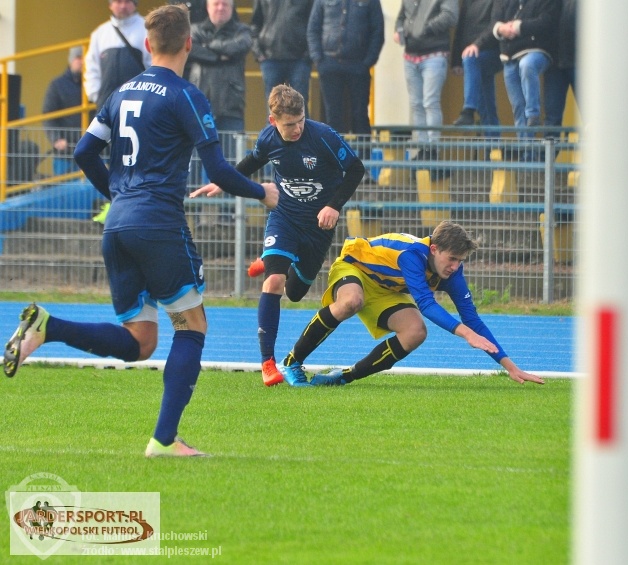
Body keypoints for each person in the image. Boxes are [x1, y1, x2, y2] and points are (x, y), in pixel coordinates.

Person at [3, 4, 280, 458]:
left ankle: (48, 327)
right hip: (158, 223)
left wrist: (118, 195)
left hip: (117, 225)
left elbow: (83, 152)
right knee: (191, 325)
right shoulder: (186, 95)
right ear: (189, 43)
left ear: (148, 45)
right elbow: (218, 170)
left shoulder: (120, 92)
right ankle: (164, 441)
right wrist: (262, 192)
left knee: (141, 342)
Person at [189, 84, 365, 388]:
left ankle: (275, 258)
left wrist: (334, 206)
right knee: (274, 282)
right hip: (284, 218)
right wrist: (222, 181)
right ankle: (268, 362)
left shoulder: (323, 136)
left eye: (301, 121)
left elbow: (356, 169)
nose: (297, 129)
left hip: (318, 228)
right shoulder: (268, 138)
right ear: (273, 121)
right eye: (289, 124)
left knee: (295, 292)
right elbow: (253, 161)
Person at [279, 221, 545, 387]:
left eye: (460, 261)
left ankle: (343, 377)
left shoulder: (453, 274)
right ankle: (291, 362)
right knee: (351, 301)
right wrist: (465, 334)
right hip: (356, 269)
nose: (455, 267)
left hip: (387, 289)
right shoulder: (412, 255)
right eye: (452, 259)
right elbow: (426, 304)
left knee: (415, 332)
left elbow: (472, 320)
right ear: (434, 249)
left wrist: (510, 367)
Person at [481, 0, 559, 160]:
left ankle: (533, 113)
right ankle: (528, 154)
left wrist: (519, 27)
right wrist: (500, 29)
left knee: (527, 65)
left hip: (537, 51)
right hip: (509, 57)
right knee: (518, 107)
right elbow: (494, 22)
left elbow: (547, 22)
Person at [307, 0, 384, 138]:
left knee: (359, 114)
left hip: (358, 65)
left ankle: (362, 150)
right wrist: (318, 59)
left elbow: (378, 31)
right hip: (329, 64)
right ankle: (335, 150)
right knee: (333, 114)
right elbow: (313, 28)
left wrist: (368, 62)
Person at [186, 0, 252, 160]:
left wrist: (207, 46)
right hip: (198, 105)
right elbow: (191, 49)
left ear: (232, 8)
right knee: (194, 163)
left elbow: (239, 46)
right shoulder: (194, 29)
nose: (220, 8)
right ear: (208, 7)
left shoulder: (242, 30)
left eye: (225, 4)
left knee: (231, 161)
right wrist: (219, 57)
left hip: (230, 106)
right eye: (216, 4)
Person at [394, 0, 459, 161]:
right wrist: (400, 30)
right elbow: (401, 17)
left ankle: (432, 149)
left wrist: (423, 28)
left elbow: (450, 16)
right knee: (416, 104)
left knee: (430, 102)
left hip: (435, 54)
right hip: (410, 56)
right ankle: (423, 148)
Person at [84, 0, 152, 110]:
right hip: (106, 105)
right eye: (119, 1)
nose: (123, 6)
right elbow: (92, 67)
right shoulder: (100, 33)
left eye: (127, 1)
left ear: (135, 4)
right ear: (110, 5)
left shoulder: (147, 30)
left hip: (138, 103)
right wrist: (95, 95)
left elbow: (153, 65)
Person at [450, 0, 503, 132]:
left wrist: (477, 45)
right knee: (486, 105)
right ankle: (493, 143)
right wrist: (456, 61)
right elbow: (460, 29)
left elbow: (495, 25)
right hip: (473, 55)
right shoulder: (468, 2)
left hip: (491, 51)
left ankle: (468, 110)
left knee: (471, 59)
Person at [250, 0, 314, 107]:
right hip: (270, 59)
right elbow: (255, 24)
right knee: (274, 109)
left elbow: (314, 23)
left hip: (300, 59)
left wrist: (308, 55)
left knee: (299, 108)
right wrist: (259, 54)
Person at [42, 46, 87, 176]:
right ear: (71, 60)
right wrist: (56, 139)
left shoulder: (94, 84)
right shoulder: (57, 85)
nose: (82, 61)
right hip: (65, 153)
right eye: (78, 58)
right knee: (64, 188)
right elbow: (48, 116)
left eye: (85, 58)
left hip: (91, 151)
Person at [542, 0, 577, 129]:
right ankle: (550, 143)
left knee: (592, 113)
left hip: (577, 59)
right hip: (555, 61)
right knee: (552, 119)